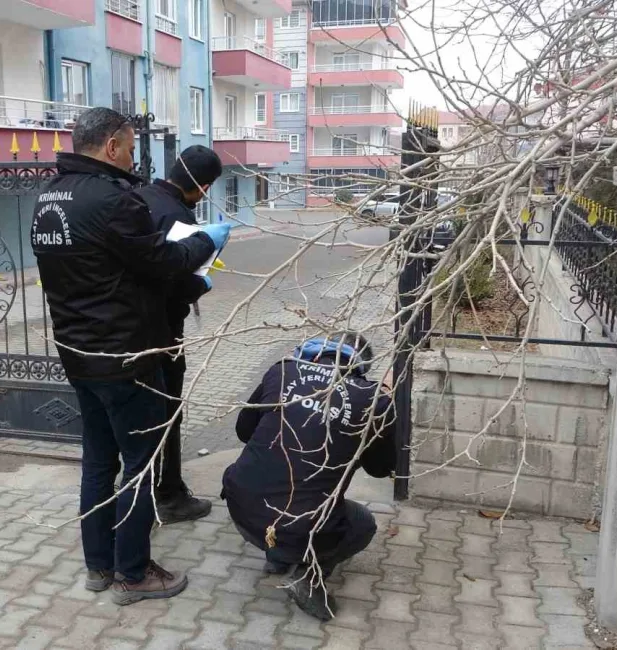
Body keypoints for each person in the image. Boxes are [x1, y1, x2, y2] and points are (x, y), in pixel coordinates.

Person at [31, 107, 232, 606]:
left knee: (98, 462)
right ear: (113, 146)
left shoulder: (48, 199)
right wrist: (207, 240)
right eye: (130, 145)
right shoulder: (112, 200)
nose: (133, 156)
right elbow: (163, 262)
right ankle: (133, 573)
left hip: (78, 354)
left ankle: (98, 565)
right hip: (128, 357)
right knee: (140, 465)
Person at [221, 331, 395, 621]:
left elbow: (243, 431)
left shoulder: (283, 370)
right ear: (362, 366)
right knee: (362, 525)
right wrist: (385, 405)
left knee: (276, 486)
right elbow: (380, 469)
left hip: (241, 507)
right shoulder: (372, 399)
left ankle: (278, 556)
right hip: (300, 524)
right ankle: (308, 576)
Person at [135, 145, 225, 524]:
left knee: (141, 415)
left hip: (127, 330)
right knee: (168, 413)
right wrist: (201, 285)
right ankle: (168, 494)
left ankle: (144, 489)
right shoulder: (177, 215)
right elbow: (172, 279)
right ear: (202, 187)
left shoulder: (138, 197)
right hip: (163, 330)